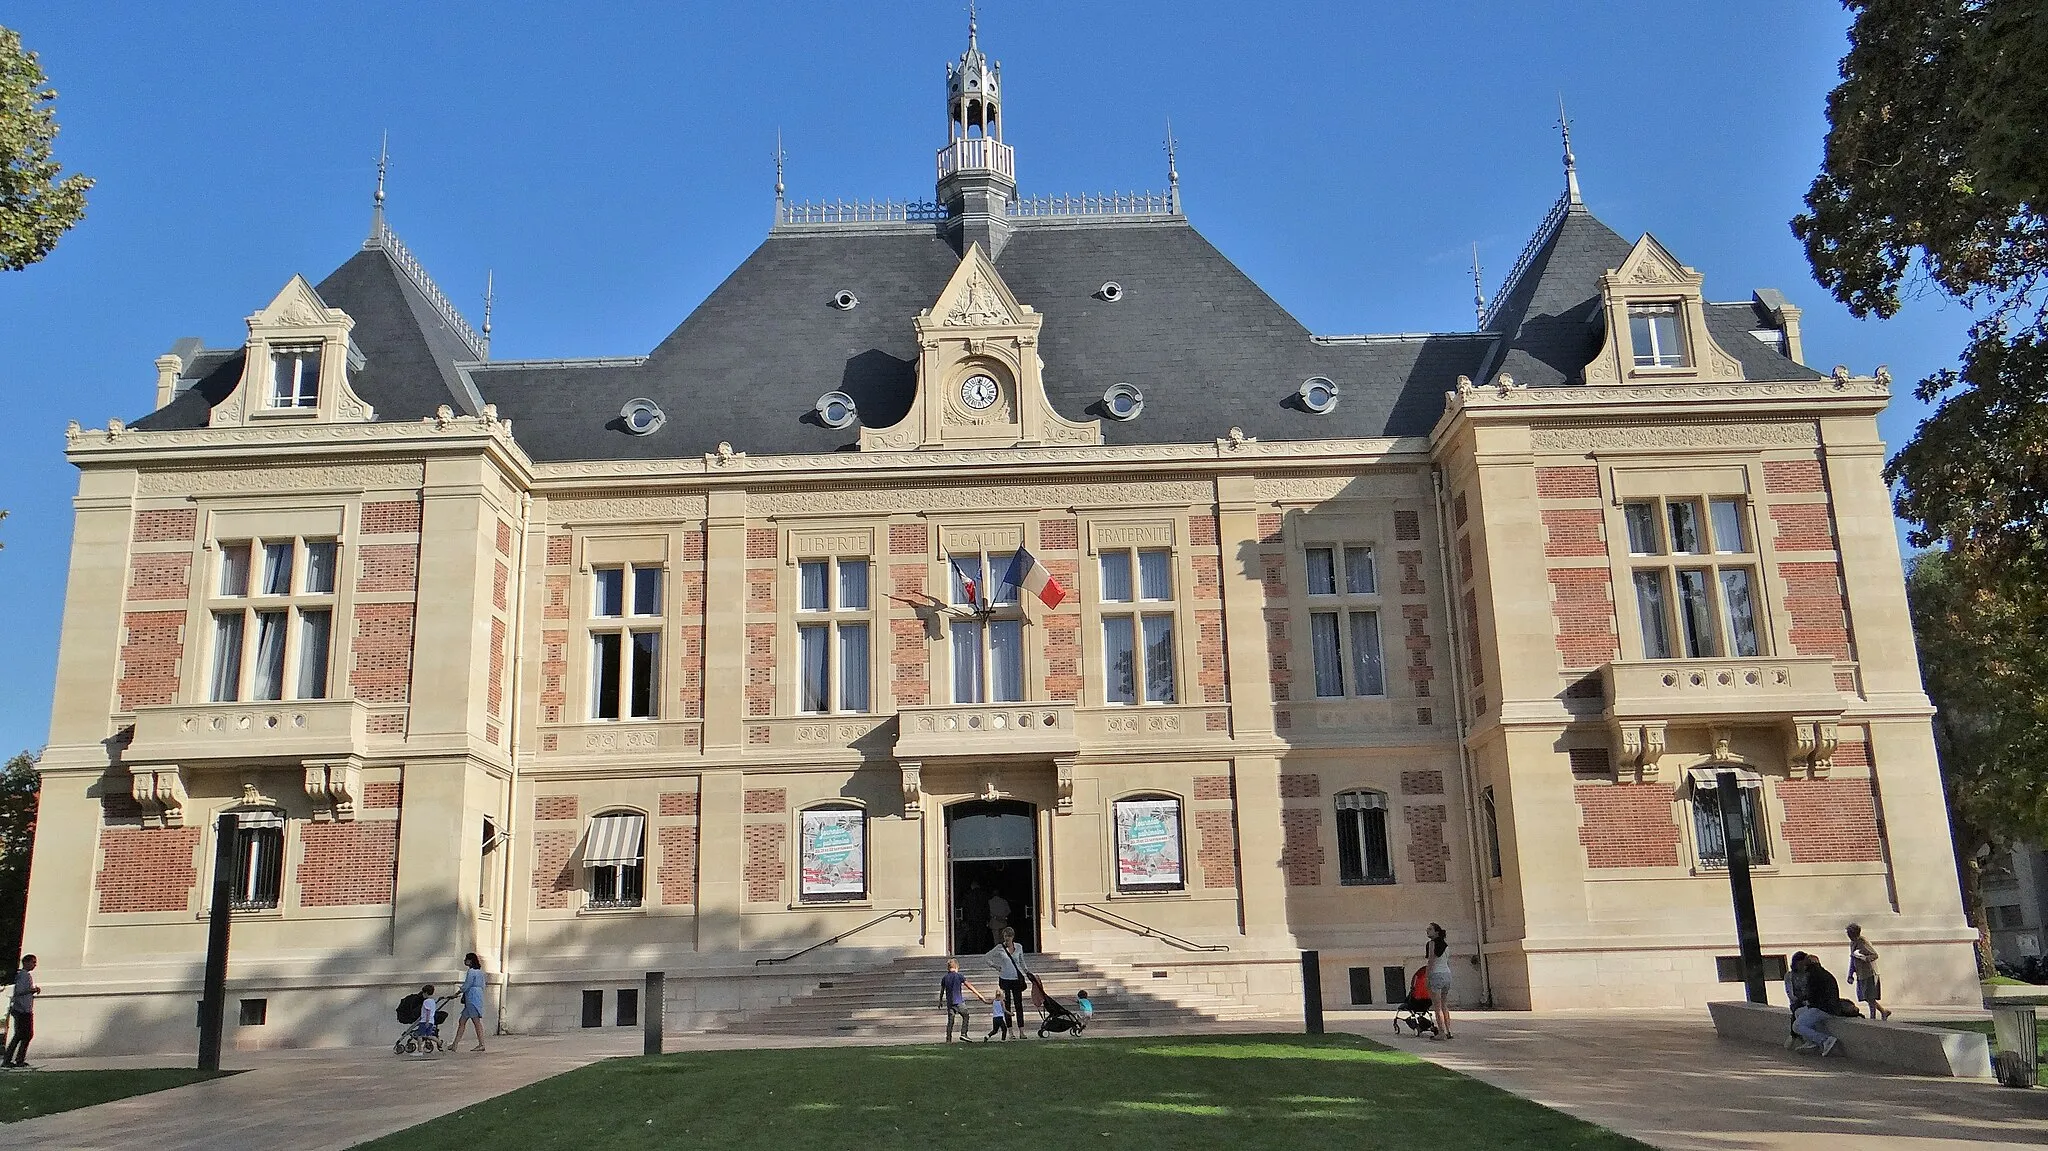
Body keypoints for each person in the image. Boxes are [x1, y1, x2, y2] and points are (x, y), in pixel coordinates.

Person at [1786, 954, 1842, 1056]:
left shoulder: (1815, 976)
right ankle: (1811, 1042)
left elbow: (1811, 995)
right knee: (1798, 1012)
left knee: (1796, 1026)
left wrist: (1800, 1000)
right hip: (1827, 1007)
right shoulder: (1825, 974)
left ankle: (1824, 1040)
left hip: (1823, 1008)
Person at [985, 925, 1030, 1036]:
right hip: (1005, 979)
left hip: (1016, 979)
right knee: (1007, 1004)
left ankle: (1021, 1030)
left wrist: (1027, 972)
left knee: (1019, 1004)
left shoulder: (1018, 947)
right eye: (1005, 936)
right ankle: (1010, 1031)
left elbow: (1021, 961)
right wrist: (995, 966)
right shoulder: (1000, 947)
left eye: (1009, 936)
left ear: (1013, 937)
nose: (1007, 939)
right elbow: (987, 956)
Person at [1846, 924, 1891, 1021]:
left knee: (1870, 997)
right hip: (1861, 973)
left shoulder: (1863, 942)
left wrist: (1864, 958)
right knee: (1865, 996)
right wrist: (1850, 974)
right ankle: (1883, 1011)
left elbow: (1874, 955)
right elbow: (1853, 959)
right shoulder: (1853, 943)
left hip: (1869, 973)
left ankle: (1873, 1018)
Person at [939, 959, 986, 1042]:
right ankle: (963, 1033)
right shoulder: (959, 976)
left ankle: (948, 1038)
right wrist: (979, 995)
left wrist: (940, 1001)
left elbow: (942, 990)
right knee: (966, 1015)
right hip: (959, 1001)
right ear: (956, 967)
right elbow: (969, 985)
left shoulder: (945, 978)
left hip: (950, 1002)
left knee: (950, 1021)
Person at [2, 955, 36, 1069]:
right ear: (26, 963)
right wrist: (32, 990)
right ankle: (12, 1059)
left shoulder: (25, 976)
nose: (34, 965)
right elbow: (20, 991)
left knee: (24, 1035)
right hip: (22, 1010)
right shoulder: (23, 976)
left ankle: (17, 1059)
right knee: (22, 1035)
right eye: (33, 962)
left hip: (24, 1009)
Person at [452, 953, 488, 1052]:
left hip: (472, 998)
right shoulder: (480, 972)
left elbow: (467, 984)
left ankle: (481, 1044)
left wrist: (459, 991)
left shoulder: (471, 972)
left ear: (470, 961)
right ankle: (455, 1044)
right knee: (462, 1021)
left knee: (476, 1022)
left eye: (466, 959)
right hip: (475, 997)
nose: (465, 961)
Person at [1425, 924, 1455, 1040]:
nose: (1427, 931)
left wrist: (1427, 977)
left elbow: (1431, 960)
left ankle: (1441, 1032)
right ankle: (1449, 1030)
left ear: (1436, 932)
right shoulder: (1446, 945)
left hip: (1436, 974)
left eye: (1430, 929)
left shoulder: (1431, 944)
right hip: (1447, 974)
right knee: (1444, 1005)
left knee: (1437, 1006)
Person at [417, 984, 445, 1052]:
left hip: (425, 1021)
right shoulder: (433, 1001)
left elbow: (428, 1012)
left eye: (423, 993)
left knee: (420, 1036)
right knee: (429, 1035)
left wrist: (426, 1021)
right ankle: (439, 1042)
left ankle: (419, 1049)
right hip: (431, 1021)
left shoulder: (426, 1001)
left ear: (426, 993)